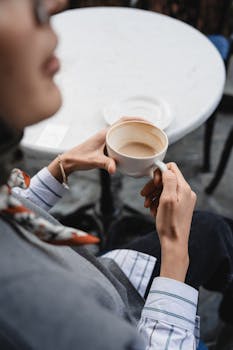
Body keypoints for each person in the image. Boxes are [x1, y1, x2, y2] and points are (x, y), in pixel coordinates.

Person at [0, 1, 233, 349]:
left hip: (105, 276)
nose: (54, 5)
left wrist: (60, 167)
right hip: (132, 314)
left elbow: (11, 217)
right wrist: (174, 254)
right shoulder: (34, 305)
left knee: (213, 230)